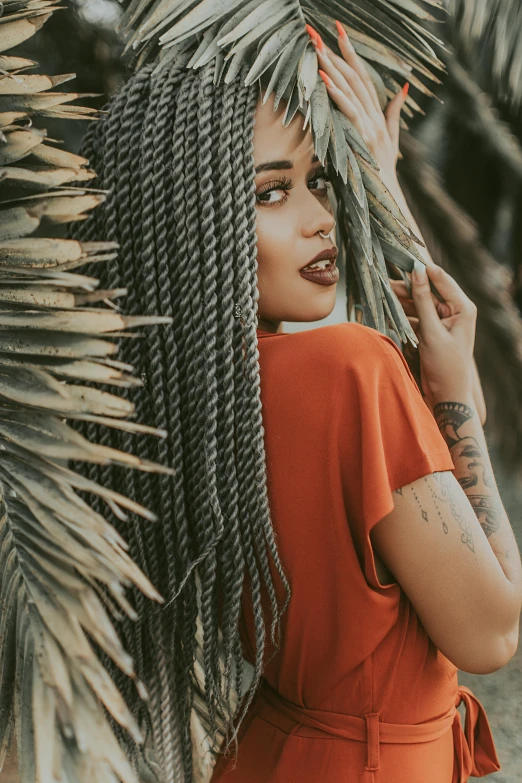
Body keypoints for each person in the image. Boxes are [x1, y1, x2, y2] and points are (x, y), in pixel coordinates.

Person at [70, 21, 521, 783]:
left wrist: (377, 195)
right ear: (192, 224)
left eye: (324, 182)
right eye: (271, 192)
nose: (320, 217)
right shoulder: (351, 369)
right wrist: (458, 401)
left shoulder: (190, 396)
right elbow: (491, 630)